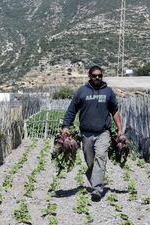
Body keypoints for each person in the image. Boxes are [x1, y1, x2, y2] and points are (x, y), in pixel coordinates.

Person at [61, 65, 124, 202]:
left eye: (99, 76)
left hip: (103, 132)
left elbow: (115, 111)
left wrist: (120, 130)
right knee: (90, 161)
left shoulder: (108, 92)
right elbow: (72, 110)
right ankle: (95, 179)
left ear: (102, 76)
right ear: (89, 76)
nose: (97, 78)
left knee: (100, 157)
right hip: (86, 133)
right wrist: (66, 126)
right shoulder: (81, 92)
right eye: (94, 75)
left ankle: (97, 189)